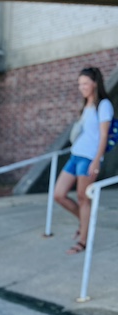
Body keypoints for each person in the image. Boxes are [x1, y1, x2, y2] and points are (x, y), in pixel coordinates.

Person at [54, 66, 114, 254]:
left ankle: (83, 241)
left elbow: (103, 136)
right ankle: (85, 223)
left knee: (83, 199)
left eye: (85, 83)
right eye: (80, 84)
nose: (82, 87)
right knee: (59, 194)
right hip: (75, 155)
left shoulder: (103, 105)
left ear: (95, 83)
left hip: (89, 158)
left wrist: (97, 160)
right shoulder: (85, 105)